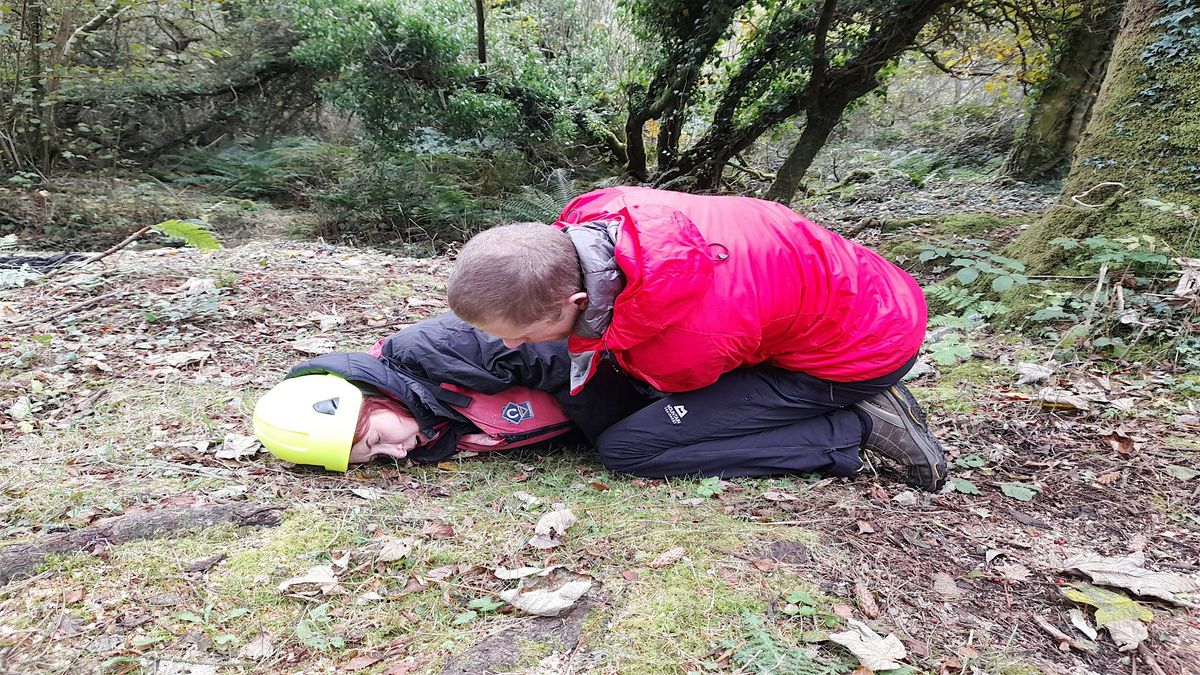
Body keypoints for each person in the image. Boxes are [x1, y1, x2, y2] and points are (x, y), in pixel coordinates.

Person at [447, 186, 948, 491]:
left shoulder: (683, 341)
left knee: (630, 447)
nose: (514, 347)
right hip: (874, 292)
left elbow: (675, 385)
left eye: (524, 335)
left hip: (861, 351)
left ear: (577, 303)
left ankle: (857, 426)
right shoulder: (600, 211)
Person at [252, 312, 650, 471]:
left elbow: (566, 359)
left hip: (641, 364)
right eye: (374, 458)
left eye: (376, 439)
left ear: (368, 399)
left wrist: (624, 430)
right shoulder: (425, 423)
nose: (396, 453)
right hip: (627, 396)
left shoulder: (431, 349)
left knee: (626, 454)